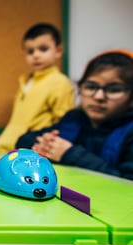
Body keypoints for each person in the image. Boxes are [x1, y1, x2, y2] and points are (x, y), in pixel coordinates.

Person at [16, 50, 133, 180]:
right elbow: (24, 140)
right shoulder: (74, 119)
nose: (99, 96)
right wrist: (44, 144)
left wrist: (69, 154)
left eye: (114, 90)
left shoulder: (129, 132)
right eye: (90, 87)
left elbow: (127, 181)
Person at [0, 23, 75, 157]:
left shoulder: (59, 82)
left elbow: (65, 124)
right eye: (30, 51)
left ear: (58, 51)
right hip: (9, 149)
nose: (36, 55)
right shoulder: (26, 81)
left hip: (33, 153)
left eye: (43, 49)